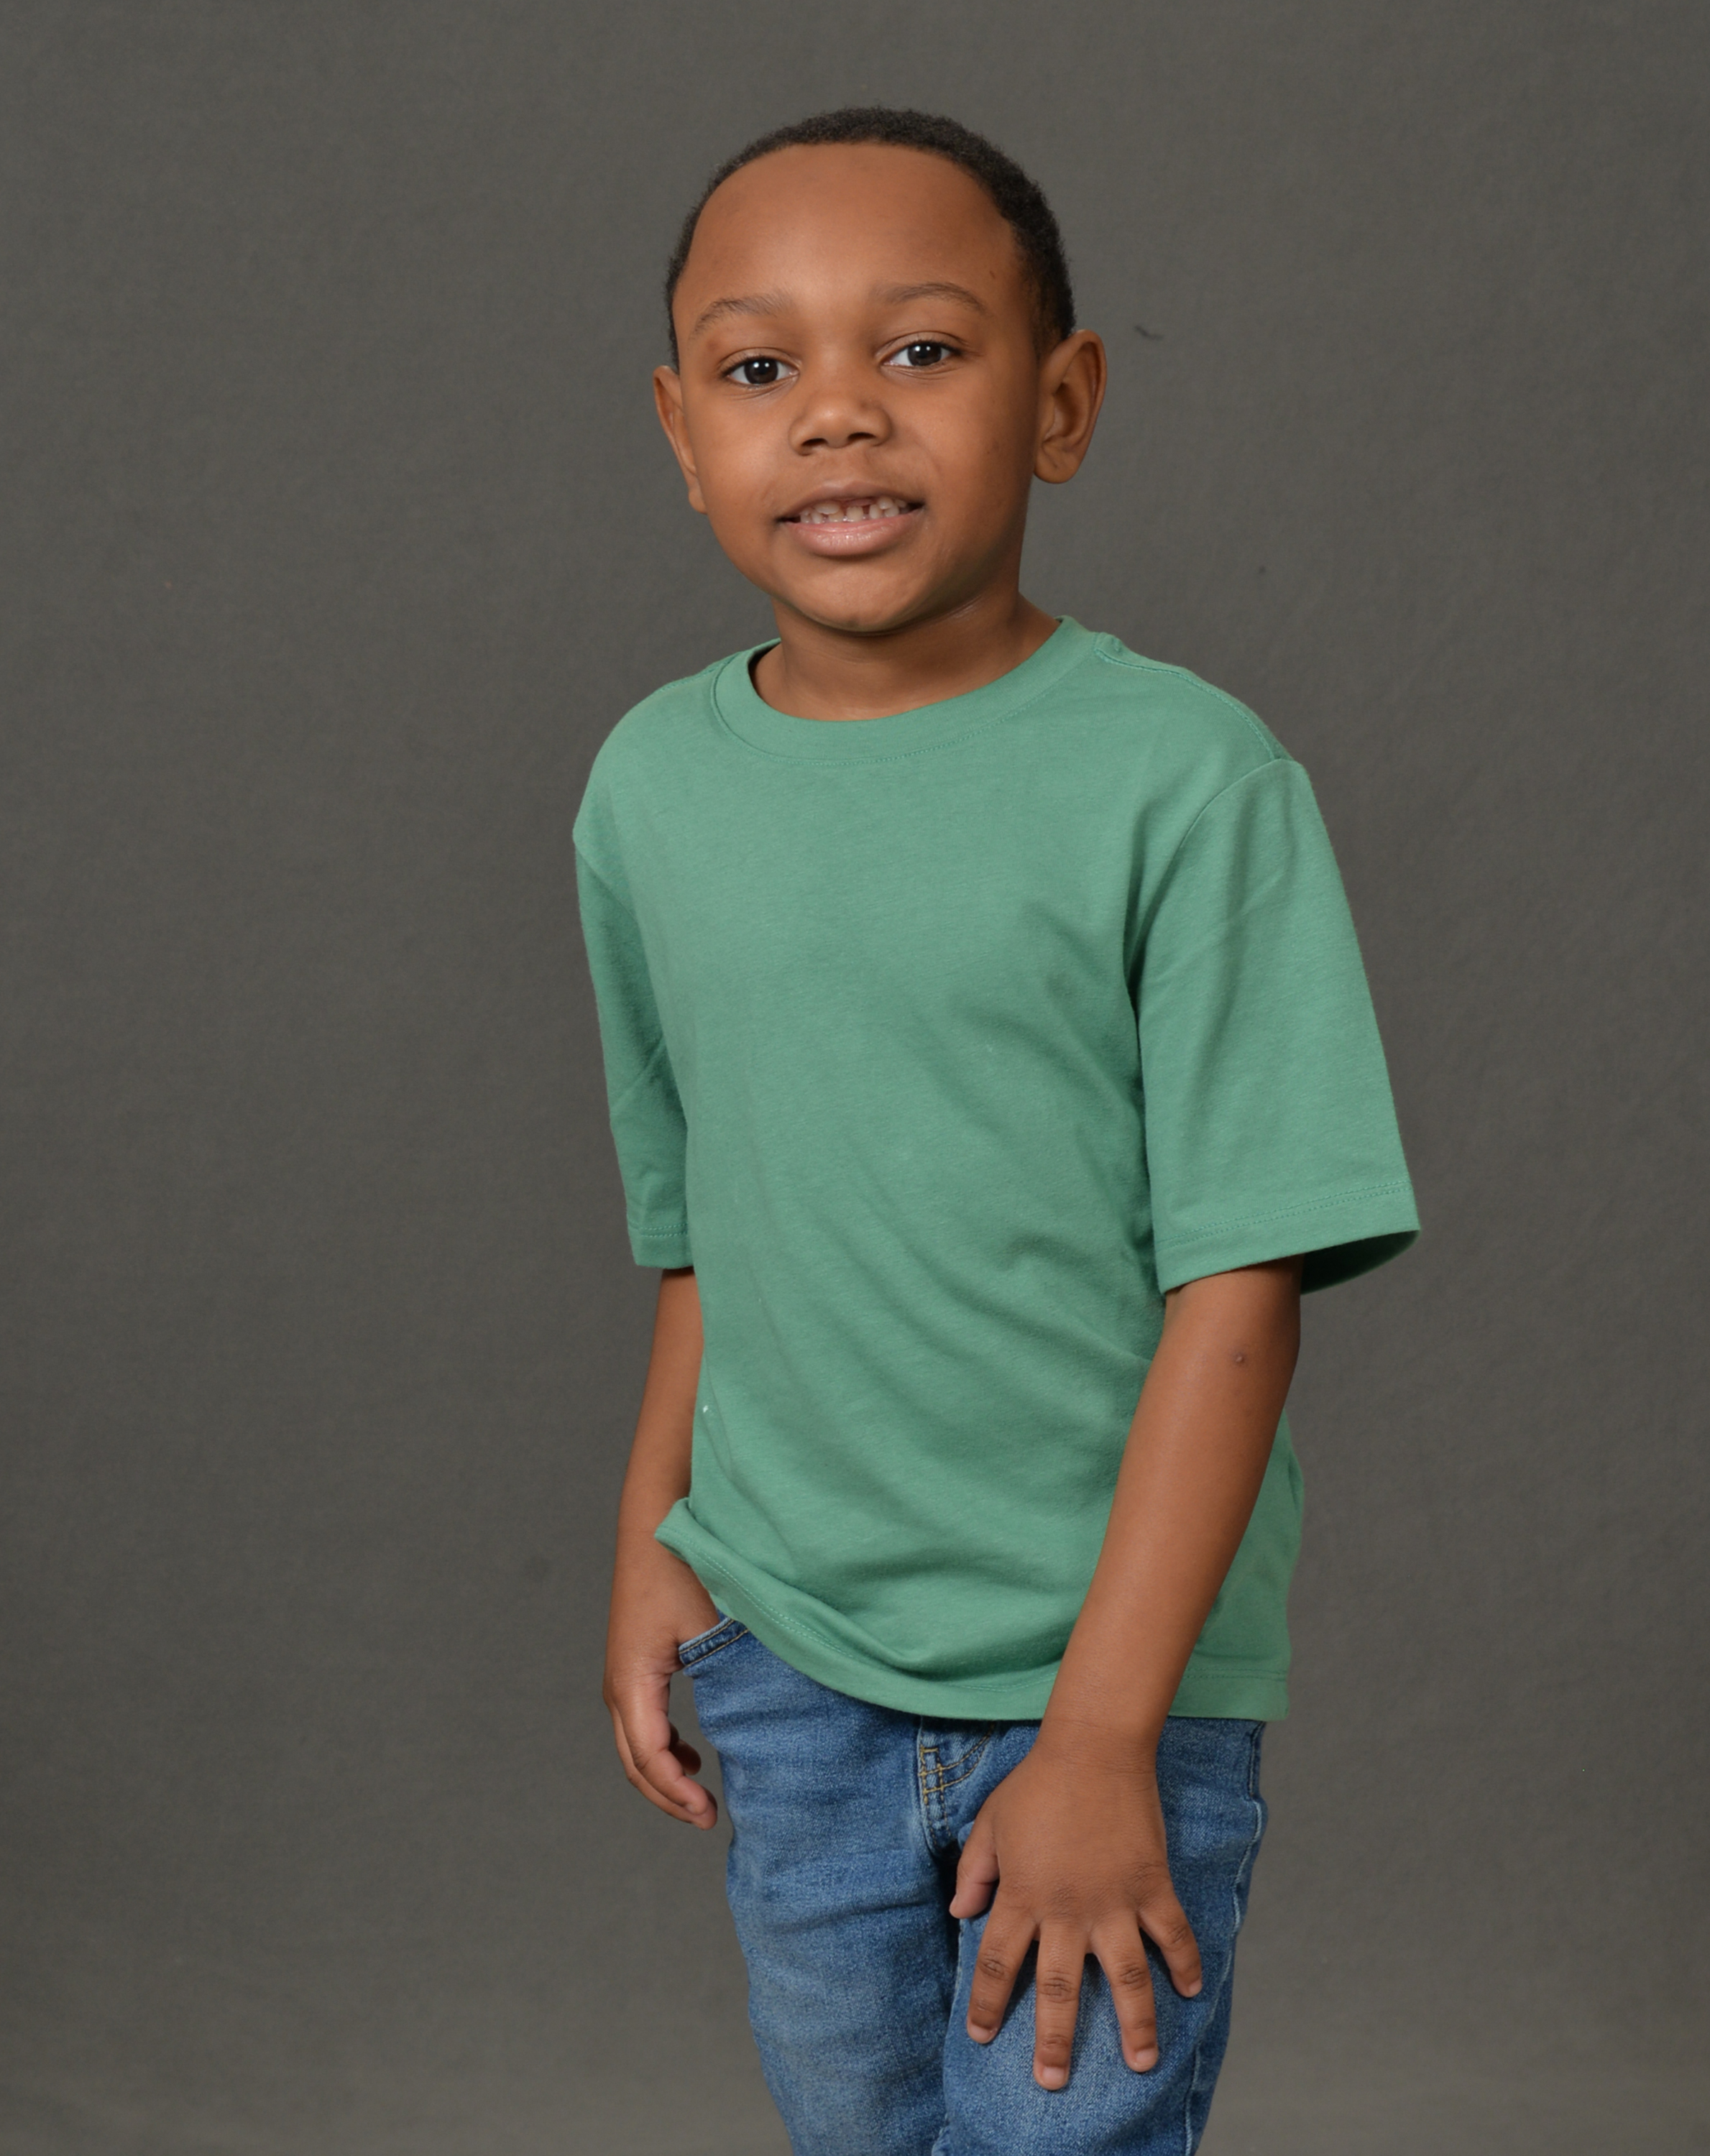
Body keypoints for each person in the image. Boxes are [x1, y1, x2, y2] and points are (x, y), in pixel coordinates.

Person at [574, 106, 1417, 2156]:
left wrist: (1107, 1734)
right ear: (681, 431)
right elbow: (709, 1230)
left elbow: (1243, 1290)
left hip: (1107, 1680)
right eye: (760, 366)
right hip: (793, 1664)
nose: (838, 414)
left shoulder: (1186, 783)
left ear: (1062, 401)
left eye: (923, 349)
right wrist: (652, 1542)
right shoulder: (648, 794)